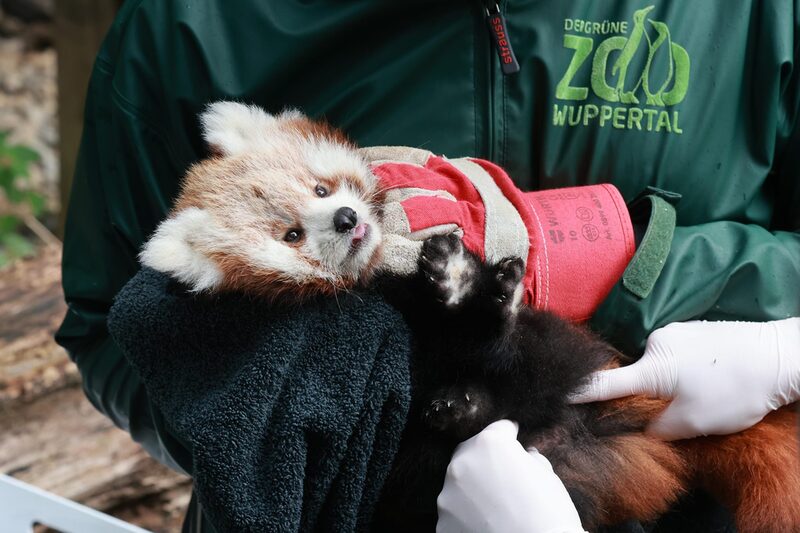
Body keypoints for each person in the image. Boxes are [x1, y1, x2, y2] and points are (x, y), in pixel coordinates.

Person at [56, 1, 800, 531]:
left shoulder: (756, 17)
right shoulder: (192, 23)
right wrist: (300, 446)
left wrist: (616, 260)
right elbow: (110, 327)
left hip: (651, 476)